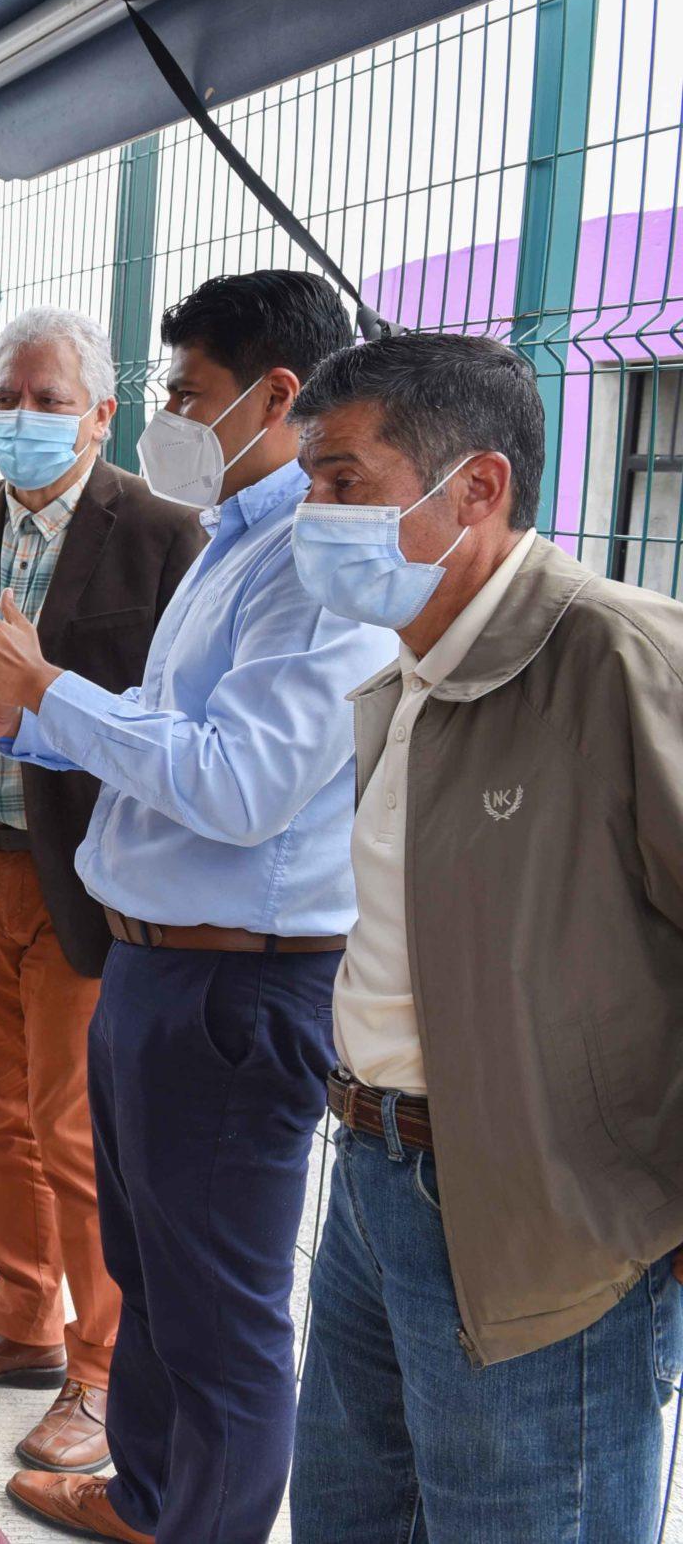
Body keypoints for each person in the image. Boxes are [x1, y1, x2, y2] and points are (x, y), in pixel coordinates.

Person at [0, 270, 390, 1542]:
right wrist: (30, 718)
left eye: (187, 392)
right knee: (159, 1268)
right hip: (157, 953)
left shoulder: (312, 564)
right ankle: (151, 1489)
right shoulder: (234, 536)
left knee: (215, 1308)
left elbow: (238, 782)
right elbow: (171, 730)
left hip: (239, 974)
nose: (173, 413)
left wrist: (48, 689)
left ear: (278, 393)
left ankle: (195, 1512)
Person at [282, 335, 683, 1541]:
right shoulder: (408, 672)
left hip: (544, 1217)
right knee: (351, 1516)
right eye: (308, 480)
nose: (314, 511)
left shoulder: (618, 659)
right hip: (369, 1171)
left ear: (478, 487)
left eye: (345, 479)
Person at [0, 310, 204, 1472]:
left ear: (102, 410)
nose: (22, 417)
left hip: (85, 882)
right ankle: (19, 1315)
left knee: (76, 1132)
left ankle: (100, 1367)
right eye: (6, 396)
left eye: (47, 397)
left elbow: (167, 719)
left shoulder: (164, 534)